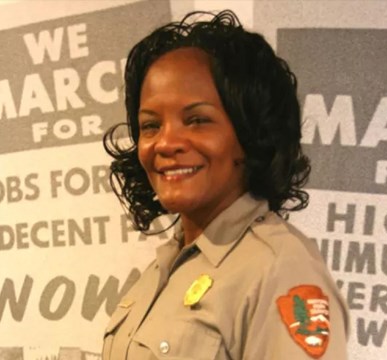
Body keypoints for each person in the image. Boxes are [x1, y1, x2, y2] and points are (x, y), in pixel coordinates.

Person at [102, 10, 348, 360]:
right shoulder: (167, 265)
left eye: (197, 120)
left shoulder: (279, 270)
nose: (166, 143)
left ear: (251, 134)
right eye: (150, 125)